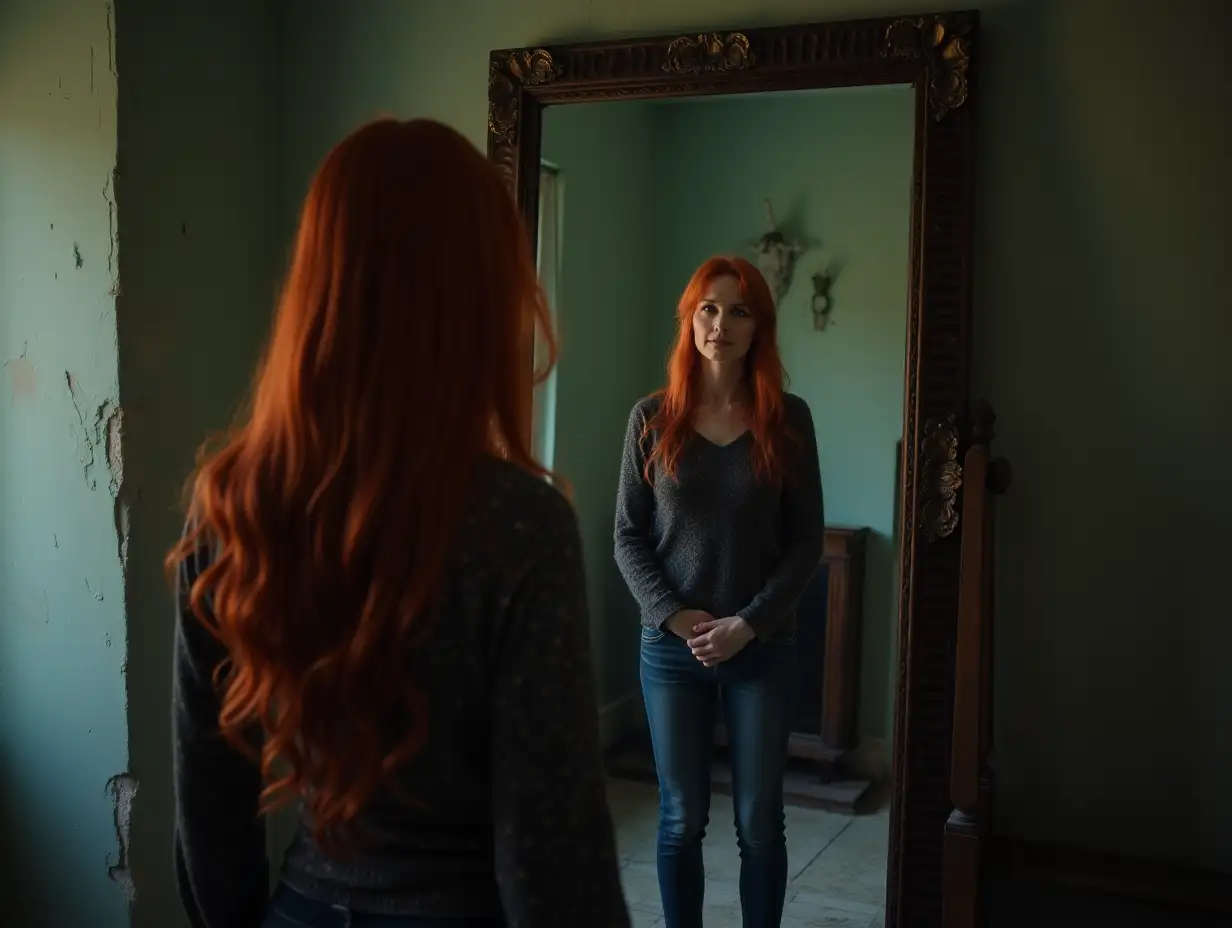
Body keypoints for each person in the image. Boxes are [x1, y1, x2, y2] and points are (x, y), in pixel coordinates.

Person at [168, 118, 631, 928]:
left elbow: (207, 804)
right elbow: (550, 859)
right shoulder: (520, 525)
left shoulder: (235, 503)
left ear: (317, 286)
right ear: (481, 298)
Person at [613, 256, 825, 928]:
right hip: (671, 652)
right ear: (690, 318)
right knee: (680, 819)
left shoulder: (789, 419)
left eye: (738, 310)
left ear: (758, 326)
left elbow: (804, 543)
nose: (720, 323)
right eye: (708, 307)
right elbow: (627, 536)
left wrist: (748, 624)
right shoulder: (651, 417)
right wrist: (674, 617)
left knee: (760, 822)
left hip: (761, 650)